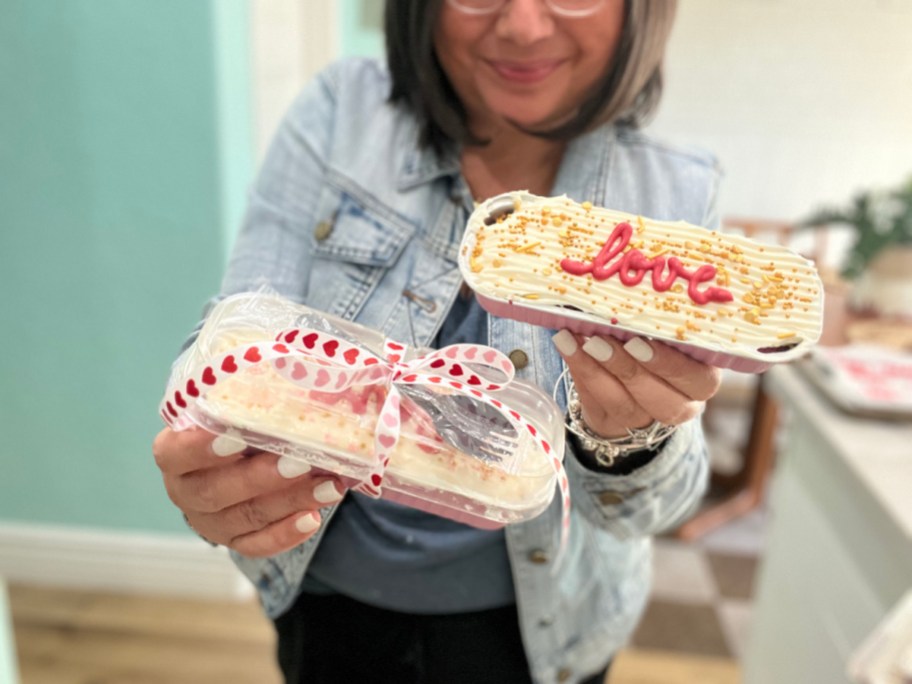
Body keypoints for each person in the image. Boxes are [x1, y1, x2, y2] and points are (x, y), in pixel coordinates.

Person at [152, 0, 722, 681]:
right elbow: (241, 322)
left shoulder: (673, 189)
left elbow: (650, 509)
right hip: (330, 604)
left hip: (547, 633)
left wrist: (633, 438)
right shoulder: (343, 112)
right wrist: (208, 429)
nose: (523, 25)